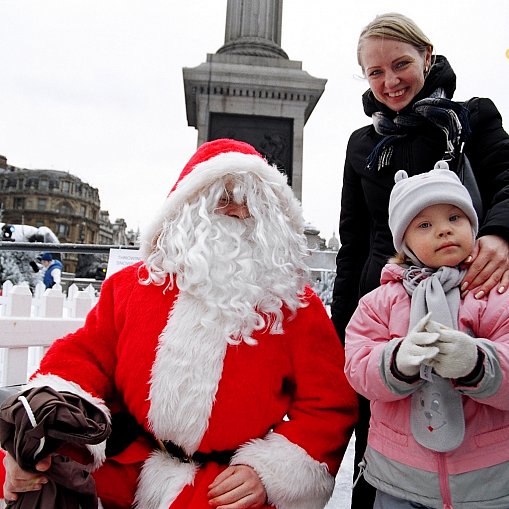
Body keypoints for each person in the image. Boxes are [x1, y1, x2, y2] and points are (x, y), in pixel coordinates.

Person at [1, 138, 359, 509]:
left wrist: (267, 472)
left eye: (249, 203)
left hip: (223, 486)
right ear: (189, 207)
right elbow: (85, 356)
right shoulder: (133, 285)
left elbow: (330, 403)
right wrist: (43, 428)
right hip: (127, 462)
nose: (236, 213)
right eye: (223, 199)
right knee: (35, 474)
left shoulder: (293, 305)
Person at [330, 12, 509, 508]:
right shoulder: (363, 145)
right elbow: (354, 244)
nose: (390, 82)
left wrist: (498, 235)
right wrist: (341, 329)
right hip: (388, 317)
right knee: (386, 451)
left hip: (473, 299)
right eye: (375, 72)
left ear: (427, 58)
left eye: (401, 64)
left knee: (480, 432)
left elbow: (507, 182)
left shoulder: (473, 118)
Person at [344, 165, 509, 509]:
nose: (444, 230)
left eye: (455, 217)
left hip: (487, 481)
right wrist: (395, 362)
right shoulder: (381, 301)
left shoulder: (493, 291)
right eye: (424, 225)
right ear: (404, 242)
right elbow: (357, 368)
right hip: (400, 479)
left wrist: (478, 363)